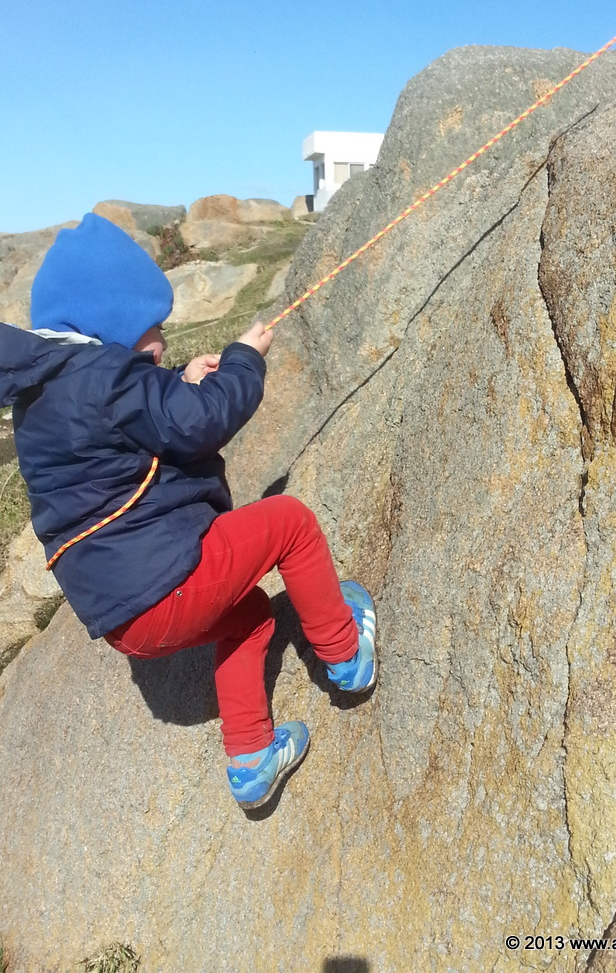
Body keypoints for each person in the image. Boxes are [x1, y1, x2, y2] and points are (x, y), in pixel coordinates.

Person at [0, 212, 377, 811]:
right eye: (154, 329)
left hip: (124, 621)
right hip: (166, 580)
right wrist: (242, 360)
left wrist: (176, 380)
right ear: (113, 327)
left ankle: (252, 758)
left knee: (249, 616)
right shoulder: (108, 378)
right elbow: (199, 423)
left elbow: (125, 430)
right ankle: (345, 651)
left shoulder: (49, 392)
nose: (164, 340)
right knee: (290, 523)